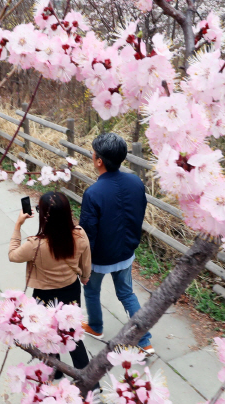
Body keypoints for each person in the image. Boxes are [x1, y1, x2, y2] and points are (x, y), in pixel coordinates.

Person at [79, 133, 153, 354]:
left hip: (99, 257)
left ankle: (95, 326)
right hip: (125, 252)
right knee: (127, 294)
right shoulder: (135, 181)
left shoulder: (93, 193)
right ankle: (145, 340)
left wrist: (83, 266)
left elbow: (87, 234)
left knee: (91, 291)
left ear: (99, 160)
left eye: (93, 153)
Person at [9, 191, 92, 377]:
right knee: (72, 333)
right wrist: (85, 276)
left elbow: (12, 255)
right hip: (70, 289)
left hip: (44, 294)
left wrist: (18, 225)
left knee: (46, 332)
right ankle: (88, 380)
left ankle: (55, 370)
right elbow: (86, 263)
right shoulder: (79, 235)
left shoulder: (34, 245)